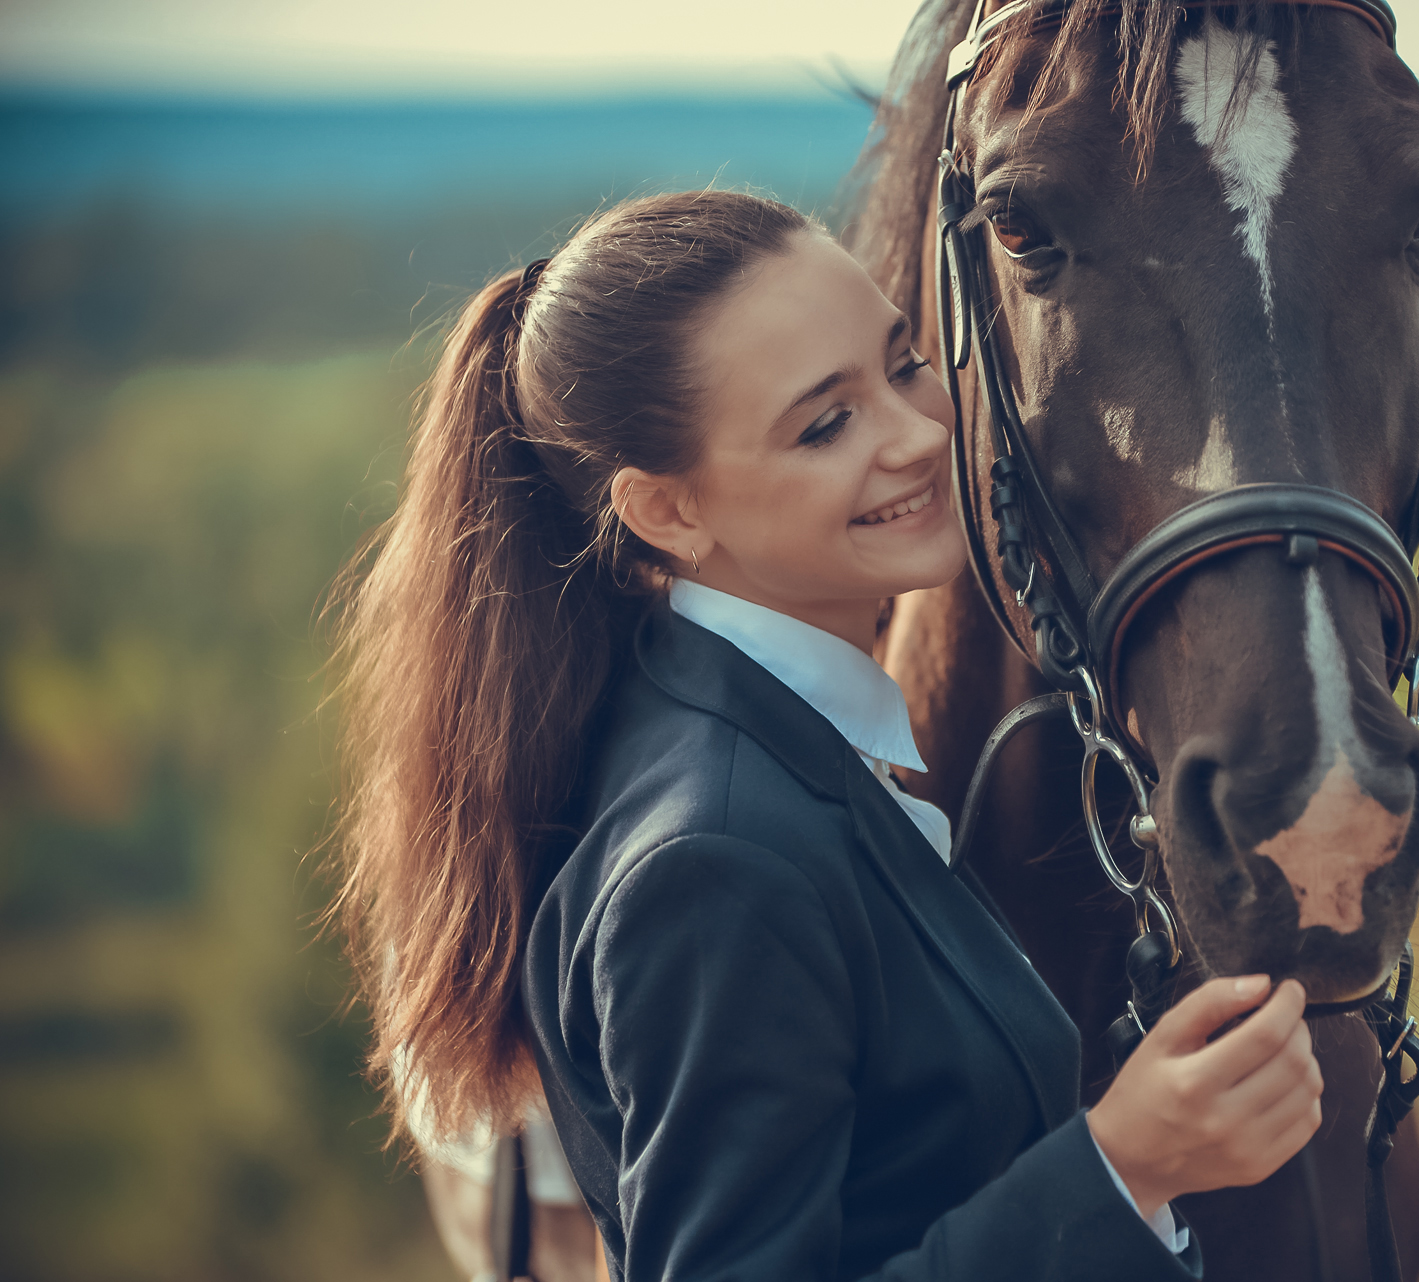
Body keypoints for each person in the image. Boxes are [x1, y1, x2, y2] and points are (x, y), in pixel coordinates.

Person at [330, 190, 1324, 1282]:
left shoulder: (776, 733)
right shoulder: (715, 864)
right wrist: (1124, 1166)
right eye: (825, 423)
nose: (921, 430)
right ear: (668, 513)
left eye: (902, 365)